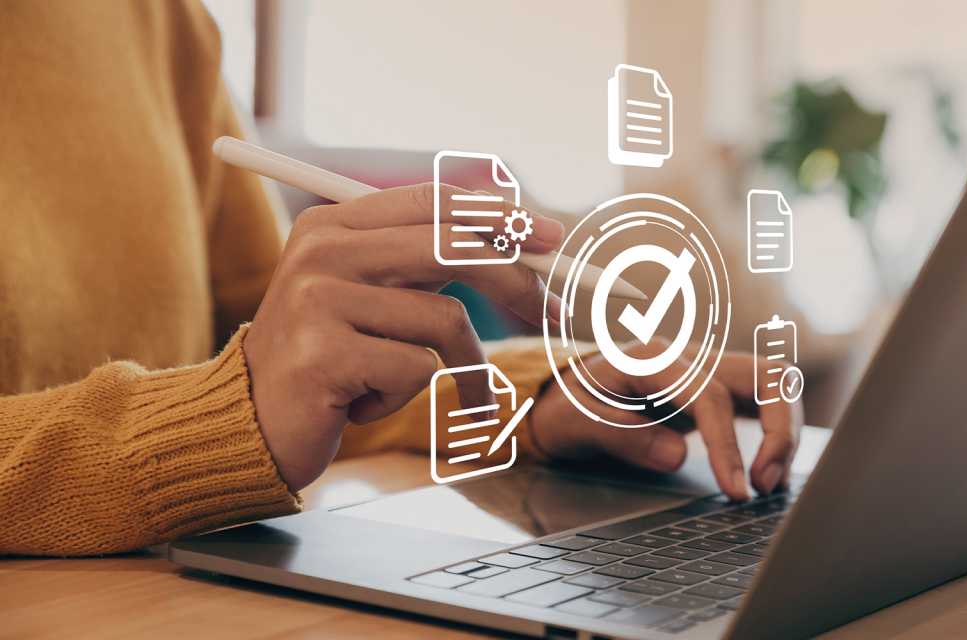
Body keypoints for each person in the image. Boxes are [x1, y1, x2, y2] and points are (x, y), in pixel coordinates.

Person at [0, 0, 802, 557]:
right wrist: (227, 415)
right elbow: (231, 404)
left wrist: (548, 395)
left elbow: (272, 367)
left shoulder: (162, 22)